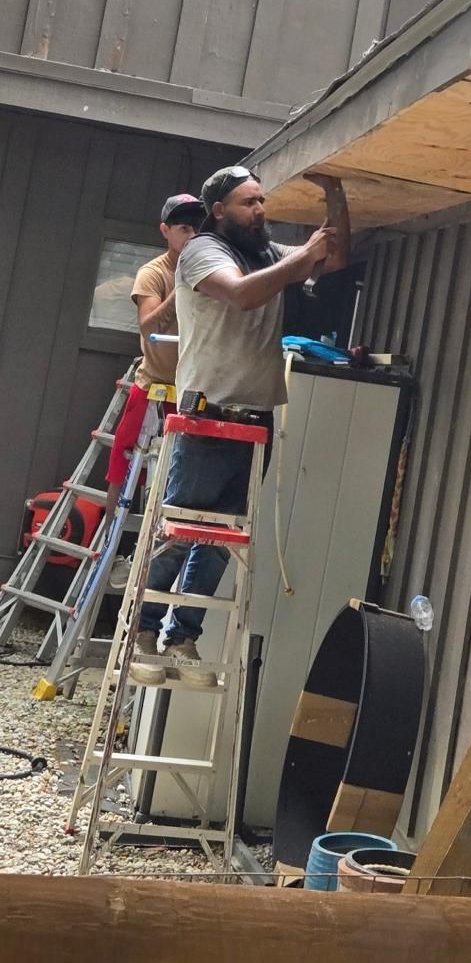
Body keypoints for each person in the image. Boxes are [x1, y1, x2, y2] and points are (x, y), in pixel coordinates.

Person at [131, 166, 348, 687]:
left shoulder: (267, 252)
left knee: (221, 539)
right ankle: (143, 631)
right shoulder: (202, 251)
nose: (260, 211)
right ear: (220, 210)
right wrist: (302, 255)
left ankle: (182, 636)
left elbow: (335, 257)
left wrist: (335, 194)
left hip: (255, 417)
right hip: (207, 415)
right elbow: (244, 294)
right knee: (179, 531)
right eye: (249, 203)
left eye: (261, 201)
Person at [103, 195, 207, 532]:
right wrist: (181, 287)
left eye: (198, 229)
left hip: (195, 390)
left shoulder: (212, 271)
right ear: (165, 230)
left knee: (185, 472)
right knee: (123, 464)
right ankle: (109, 541)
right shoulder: (154, 272)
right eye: (184, 229)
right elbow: (148, 327)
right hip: (154, 385)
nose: (192, 236)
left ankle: (165, 547)